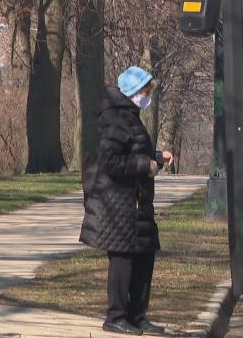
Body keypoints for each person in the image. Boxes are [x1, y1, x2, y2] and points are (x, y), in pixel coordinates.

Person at [80, 66, 173, 336]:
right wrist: (146, 165)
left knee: (144, 257)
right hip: (119, 203)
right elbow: (110, 161)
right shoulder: (115, 118)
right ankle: (116, 316)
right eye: (145, 91)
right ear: (132, 91)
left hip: (136, 201)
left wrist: (156, 158)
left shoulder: (129, 116)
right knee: (123, 259)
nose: (148, 96)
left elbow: (132, 151)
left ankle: (137, 315)